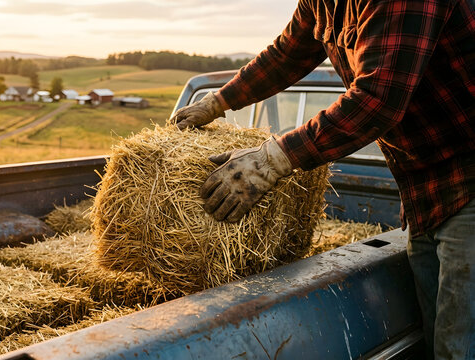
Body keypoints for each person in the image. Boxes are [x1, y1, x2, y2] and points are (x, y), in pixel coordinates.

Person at [170, 0, 474, 358]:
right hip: (425, 190)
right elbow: (288, 53)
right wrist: (219, 101)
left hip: (468, 175)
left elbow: (378, 100)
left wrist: (271, 160)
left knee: (458, 347)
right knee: (439, 338)